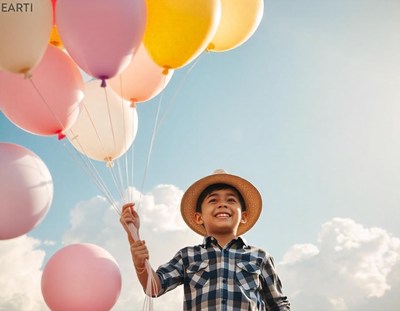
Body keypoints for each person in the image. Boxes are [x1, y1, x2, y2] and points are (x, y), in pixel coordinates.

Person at [120, 169, 290, 310]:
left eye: (230, 200)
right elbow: (154, 287)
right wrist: (137, 252)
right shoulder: (188, 256)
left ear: (243, 216)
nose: (222, 204)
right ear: (198, 217)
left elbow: (278, 304)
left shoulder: (260, 257)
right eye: (213, 200)